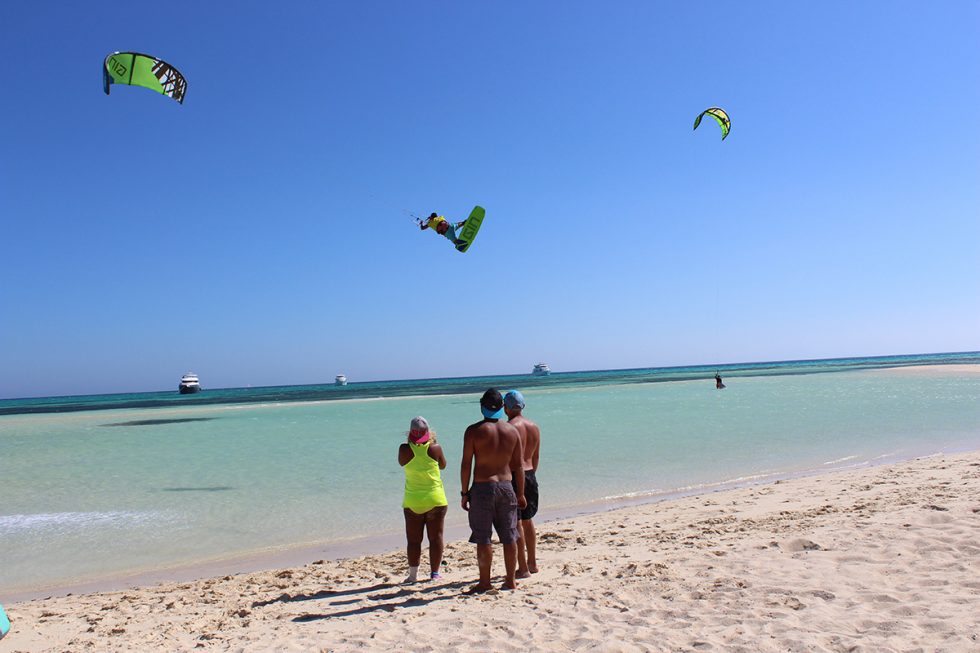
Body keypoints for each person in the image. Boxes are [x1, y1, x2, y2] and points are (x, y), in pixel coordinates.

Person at [460, 388, 526, 592]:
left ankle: (485, 582)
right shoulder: (512, 431)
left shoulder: (473, 431)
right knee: (509, 536)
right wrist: (521, 493)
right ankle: (510, 580)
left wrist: (464, 493)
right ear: (501, 407)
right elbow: (519, 466)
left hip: (482, 487)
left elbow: (466, 464)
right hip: (506, 487)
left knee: (483, 537)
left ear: (482, 406)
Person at [398, 416, 448, 583]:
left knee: (413, 540)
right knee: (436, 538)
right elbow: (443, 465)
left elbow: (401, 463)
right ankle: (434, 574)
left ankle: (413, 576)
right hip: (435, 499)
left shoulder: (404, 449)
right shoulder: (435, 448)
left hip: (413, 500)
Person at [504, 390, 541, 578]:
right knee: (528, 520)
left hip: (514, 476)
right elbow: (535, 458)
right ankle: (533, 562)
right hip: (530, 474)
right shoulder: (534, 426)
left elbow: (507, 458)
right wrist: (530, 475)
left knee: (516, 521)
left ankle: (523, 567)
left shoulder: (509, 427)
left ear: (506, 408)